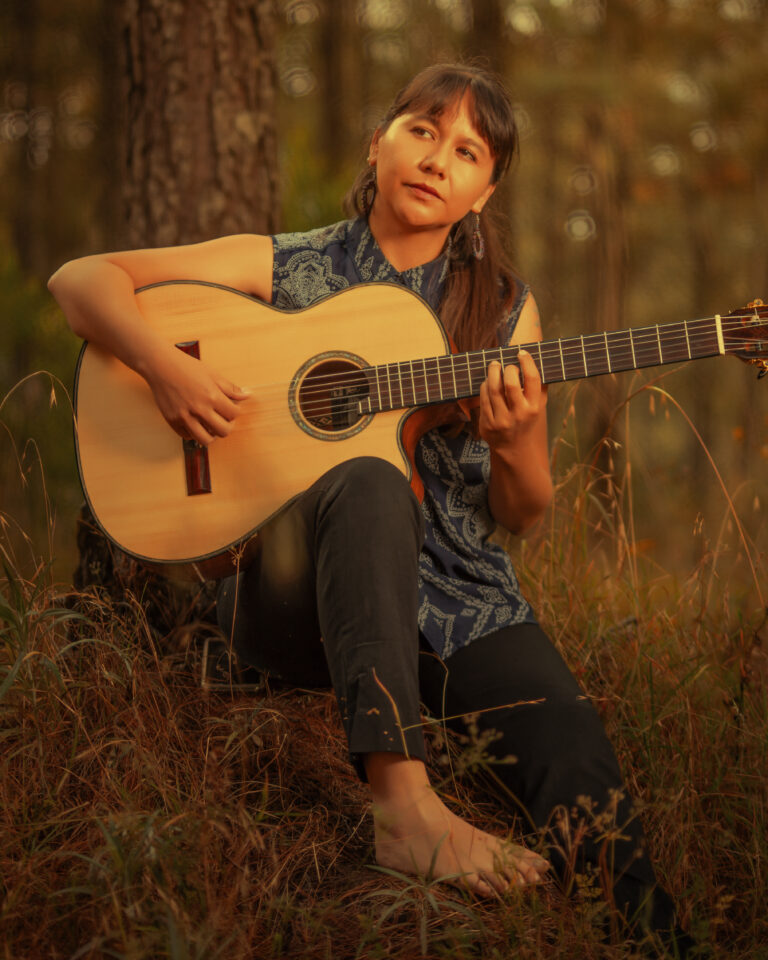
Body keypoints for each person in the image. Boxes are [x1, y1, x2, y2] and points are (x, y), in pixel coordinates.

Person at [49, 62, 692, 952]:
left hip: (456, 596)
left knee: (572, 749)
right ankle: (405, 810)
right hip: (296, 593)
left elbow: (523, 511)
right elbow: (82, 280)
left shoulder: (505, 311)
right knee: (369, 478)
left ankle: (660, 942)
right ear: (380, 142)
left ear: (485, 190)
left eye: (466, 150)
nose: (437, 159)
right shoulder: (289, 263)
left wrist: (517, 441)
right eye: (422, 130)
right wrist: (168, 368)